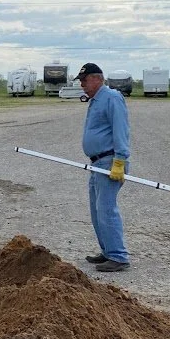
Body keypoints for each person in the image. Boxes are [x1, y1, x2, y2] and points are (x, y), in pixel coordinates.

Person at [75, 62, 131, 272]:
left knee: (106, 210)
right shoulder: (95, 100)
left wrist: (120, 161)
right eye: (81, 81)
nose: (82, 85)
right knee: (96, 210)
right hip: (96, 163)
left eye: (85, 80)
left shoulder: (112, 98)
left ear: (98, 78)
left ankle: (118, 256)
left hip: (109, 162)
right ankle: (108, 251)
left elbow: (121, 130)